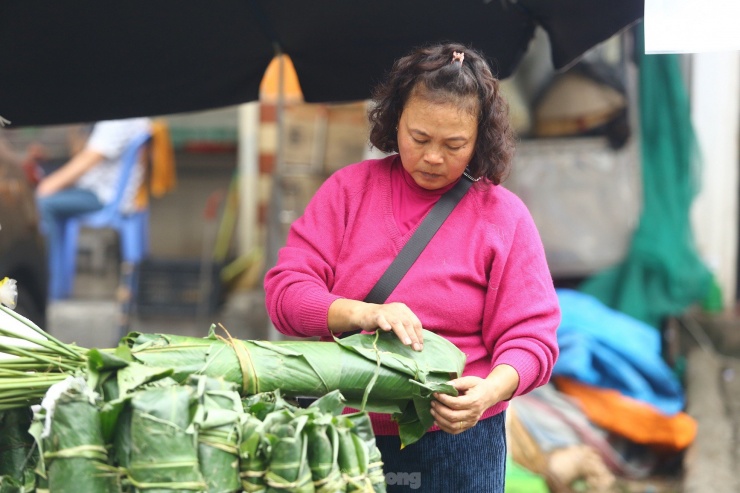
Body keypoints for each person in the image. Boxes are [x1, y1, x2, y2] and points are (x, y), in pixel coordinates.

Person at [264, 42, 560, 492]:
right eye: (419, 138)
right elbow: (285, 295)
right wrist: (363, 313)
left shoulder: (503, 216)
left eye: (454, 144)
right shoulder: (347, 193)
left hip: (459, 439)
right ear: (394, 120)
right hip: (345, 434)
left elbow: (532, 338)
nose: (433, 157)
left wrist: (490, 392)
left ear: (481, 138)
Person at [35, 118, 151, 291]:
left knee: (43, 203)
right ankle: (53, 282)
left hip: (104, 196)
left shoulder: (121, 119)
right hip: (102, 191)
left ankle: (48, 282)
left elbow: (89, 158)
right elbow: (80, 152)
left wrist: (46, 186)